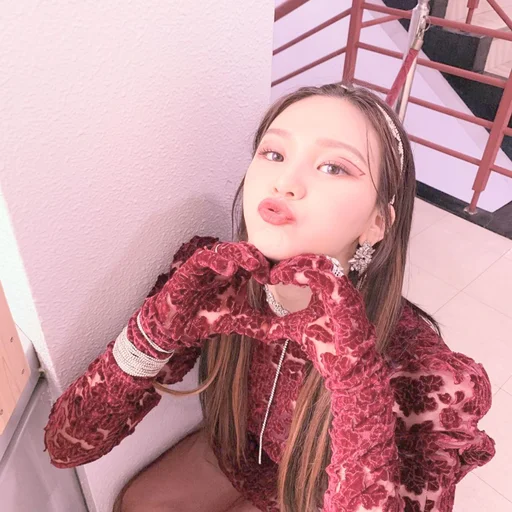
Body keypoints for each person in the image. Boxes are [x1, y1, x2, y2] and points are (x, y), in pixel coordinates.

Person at [43, 83, 495, 512]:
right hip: (236, 452)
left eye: (334, 167)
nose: (286, 182)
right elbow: (67, 446)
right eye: (274, 154)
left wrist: (355, 381)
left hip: (325, 490)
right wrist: (156, 328)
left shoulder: (430, 378)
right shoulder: (214, 281)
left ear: (377, 222)